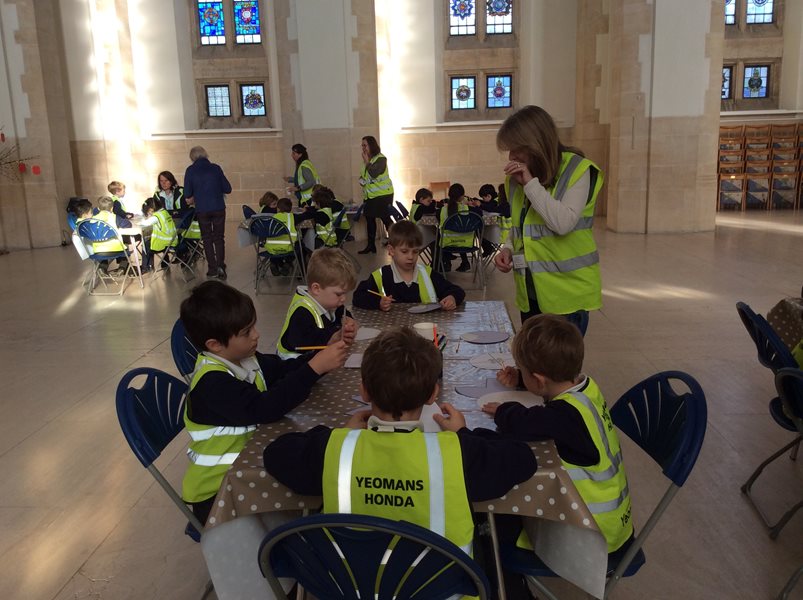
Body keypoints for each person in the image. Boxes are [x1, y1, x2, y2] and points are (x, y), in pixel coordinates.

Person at [262, 326, 537, 555]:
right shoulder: (457, 451)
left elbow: (275, 453)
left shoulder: (334, 449)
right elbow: (523, 459)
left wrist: (341, 433)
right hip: (440, 585)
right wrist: (462, 434)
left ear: (364, 392)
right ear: (433, 395)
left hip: (355, 583)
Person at [180, 280, 348, 524]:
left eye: (253, 327)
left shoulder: (243, 358)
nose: (256, 335)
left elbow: (282, 369)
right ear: (215, 345)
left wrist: (320, 357)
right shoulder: (212, 384)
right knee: (314, 474)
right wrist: (314, 367)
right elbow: (266, 408)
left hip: (248, 465)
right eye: (246, 332)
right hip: (220, 490)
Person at [482, 314, 633, 557]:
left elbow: (525, 423)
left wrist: (503, 410)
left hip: (590, 539)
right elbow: (547, 413)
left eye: (523, 370)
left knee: (492, 520)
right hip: (612, 525)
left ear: (539, 380)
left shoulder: (563, 416)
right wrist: (523, 379)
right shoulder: (586, 389)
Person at [493, 105, 603, 334]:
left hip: (568, 296)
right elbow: (521, 225)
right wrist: (508, 248)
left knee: (557, 358)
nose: (512, 157)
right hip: (531, 293)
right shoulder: (515, 181)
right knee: (532, 355)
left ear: (535, 145)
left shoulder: (577, 169)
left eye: (516, 149)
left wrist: (530, 184)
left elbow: (563, 223)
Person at [353, 220, 464, 311]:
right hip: (392, 330)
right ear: (391, 250)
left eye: (415, 252)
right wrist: (378, 302)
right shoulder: (381, 276)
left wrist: (451, 298)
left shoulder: (428, 274)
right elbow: (358, 297)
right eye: (404, 251)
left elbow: (456, 290)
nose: (410, 257)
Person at [277, 247, 359, 359]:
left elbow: (340, 311)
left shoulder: (327, 300)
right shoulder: (302, 311)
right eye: (339, 294)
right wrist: (333, 335)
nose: (343, 299)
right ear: (316, 289)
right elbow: (301, 340)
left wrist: (348, 320)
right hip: (293, 362)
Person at [183, 146, 232, 280]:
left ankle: (212, 269)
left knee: (207, 238)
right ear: (205, 154)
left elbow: (187, 193)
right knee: (219, 237)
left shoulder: (190, 170)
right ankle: (221, 266)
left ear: (192, 157)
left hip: (202, 209)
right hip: (218, 207)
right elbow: (228, 188)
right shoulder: (216, 168)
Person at [357, 135, 394, 254]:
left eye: (365, 145)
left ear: (371, 145)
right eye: (362, 146)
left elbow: (374, 173)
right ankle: (371, 245)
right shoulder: (368, 160)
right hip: (370, 196)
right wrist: (361, 180)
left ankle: (396, 241)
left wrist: (367, 162)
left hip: (383, 195)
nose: (363, 148)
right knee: (369, 218)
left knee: (385, 218)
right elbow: (366, 176)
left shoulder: (381, 159)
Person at [78, 196, 132, 275]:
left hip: (98, 251)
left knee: (104, 254)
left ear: (99, 208)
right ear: (112, 208)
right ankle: (122, 268)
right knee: (125, 248)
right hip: (116, 249)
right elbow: (128, 224)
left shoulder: (93, 219)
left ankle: (102, 268)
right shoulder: (114, 217)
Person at [438, 183, 480, 272]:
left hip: (448, 244)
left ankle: (446, 263)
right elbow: (480, 213)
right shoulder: (468, 209)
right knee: (461, 233)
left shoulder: (443, 210)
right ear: (462, 196)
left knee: (440, 236)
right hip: (466, 244)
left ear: (449, 195)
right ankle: (465, 262)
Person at [140, 196, 178, 273]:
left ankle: (145, 267)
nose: (148, 214)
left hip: (164, 243)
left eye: (148, 212)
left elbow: (144, 223)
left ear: (151, 209)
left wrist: (145, 219)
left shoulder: (156, 216)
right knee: (149, 242)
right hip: (173, 241)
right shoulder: (164, 212)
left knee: (146, 243)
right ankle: (153, 265)